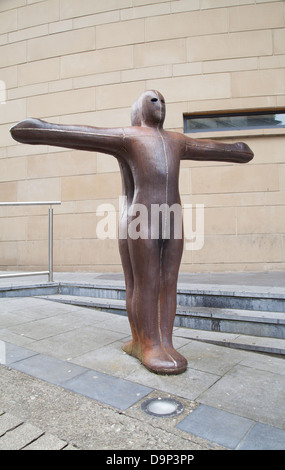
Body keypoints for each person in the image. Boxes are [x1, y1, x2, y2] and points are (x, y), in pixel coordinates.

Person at [10, 89, 253, 374]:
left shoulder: (176, 140)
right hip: (141, 218)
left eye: (163, 100)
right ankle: (147, 343)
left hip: (172, 217)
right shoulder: (129, 136)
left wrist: (237, 150)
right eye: (153, 100)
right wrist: (42, 129)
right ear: (139, 108)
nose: (160, 104)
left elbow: (211, 148)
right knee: (145, 281)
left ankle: (164, 342)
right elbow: (84, 134)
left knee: (168, 281)